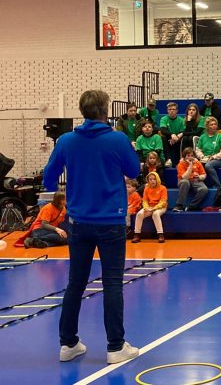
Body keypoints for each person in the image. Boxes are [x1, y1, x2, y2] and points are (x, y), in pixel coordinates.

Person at [43, 90, 141, 364]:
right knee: (112, 283)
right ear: (103, 111)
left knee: (75, 282)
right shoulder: (118, 139)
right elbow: (134, 171)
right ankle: (115, 347)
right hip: (110, 221)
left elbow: (49, 179)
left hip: (78, 222)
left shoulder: (66, 140)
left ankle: (68, 343)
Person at [132, 172, 167, 244]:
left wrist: (154, 208)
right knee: (139, 214)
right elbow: (144, 200)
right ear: (148, 180)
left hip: (161, 207)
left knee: (155, 214)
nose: (152, 181)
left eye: (154, 179)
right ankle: (137, 235)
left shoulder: (163, 188)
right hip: (149, 206)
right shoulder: (146, 188)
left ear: (157, 179)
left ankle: (161, 235)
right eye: (150, 179)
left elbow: (163, 201)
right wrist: (146, 208)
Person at [195, 117, 221, 188]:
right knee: (196, 164)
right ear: (207, 127)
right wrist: (202, 156)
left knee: (208, 165)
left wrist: (213, 157)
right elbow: (198, 150)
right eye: (211, 124)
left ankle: (218, 185)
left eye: (215, 124)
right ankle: (198, 185)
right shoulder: (203, 137)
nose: (214, 126)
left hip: (219, 160)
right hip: (205, 158)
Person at [173, 147, 208, 212]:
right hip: (183, 181)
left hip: (195, 180)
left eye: (192, 155)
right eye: (188, 155)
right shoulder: (180, 164)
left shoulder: (198, 163)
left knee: (204, 189)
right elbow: (184, 177)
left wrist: (199, 177)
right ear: (184, 156)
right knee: (185, 182)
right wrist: (190, 166)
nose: (190, 157)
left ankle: (191, 206)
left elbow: (204, 175)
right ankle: (179, 205)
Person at [159, 102, 186, 167]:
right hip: (168, 139)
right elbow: (163, 130)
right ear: (167, 110)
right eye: (169, 109)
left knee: (184, 139)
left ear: (177, 110)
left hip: (178, 139)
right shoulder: (164, 119)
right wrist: (171, 135)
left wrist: (176, 138)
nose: (171, 111)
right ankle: (168, 160)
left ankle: (181, 161)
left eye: (173, 109)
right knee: (163, 138)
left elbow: (182, 131)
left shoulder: (181, 120)